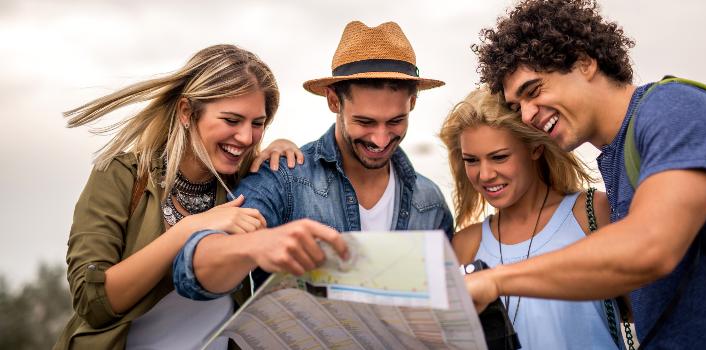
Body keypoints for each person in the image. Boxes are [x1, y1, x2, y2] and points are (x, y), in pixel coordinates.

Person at [468, 0, 706, 348]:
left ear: (585, 62)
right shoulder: (618, 156)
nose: (526, 115)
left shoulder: (674, 109)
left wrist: (497, 279)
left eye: (534, 90)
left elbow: (651, 246)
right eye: (516, 106)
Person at [55, 44, 348, 350]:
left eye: (257, 124)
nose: (246, 138)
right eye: (232, 121)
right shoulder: (120, 175)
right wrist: (189, 229)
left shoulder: (247, 180)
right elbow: (93, 303)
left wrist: (282, 146)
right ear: (186, 112)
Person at [172, 21, 454, 299]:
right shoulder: (283, 179)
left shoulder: (431, 203)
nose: (380, 139)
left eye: (395, 121)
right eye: (365, 122)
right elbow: (192, 271)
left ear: (412, 103)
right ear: (333, 102)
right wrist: (255, 245)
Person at [440, 87, 622, 349]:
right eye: (472, 160)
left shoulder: (592, 212)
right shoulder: (465, 245)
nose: (485, 174)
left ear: (535, 148)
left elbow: (646, 311)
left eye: (499, 157)